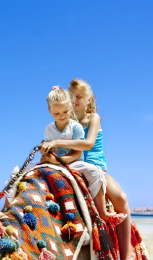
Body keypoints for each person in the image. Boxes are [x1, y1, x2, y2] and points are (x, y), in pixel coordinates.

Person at [41, 79, 131, 260]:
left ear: (89, 99)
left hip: (95, 166)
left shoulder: (93, 118)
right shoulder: (67, 121)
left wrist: (57, 142)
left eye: (79, 97)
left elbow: (88, 144)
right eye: (72, 96)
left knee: (121, 198)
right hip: (72, 164)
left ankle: (125, 255)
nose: (74, 101)